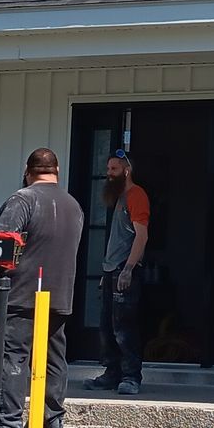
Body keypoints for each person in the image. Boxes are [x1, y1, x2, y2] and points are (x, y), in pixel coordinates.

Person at [0, 147, 85, 428]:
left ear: (27, 171)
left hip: (22, 292)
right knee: (53, 357)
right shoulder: (73, 205)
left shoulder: (23, 200)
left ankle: (8, 424)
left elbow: (3, 245)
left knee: (12, 356)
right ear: (57, 171)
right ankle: (52, 419)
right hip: (59, 292)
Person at [82, 147, 150, 395]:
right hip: (112, 269)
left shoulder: (136, 195)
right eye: (108, 168)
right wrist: (107, 271)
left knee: (124, 326)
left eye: (114, 169)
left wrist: (128, 269)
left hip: (125, 270)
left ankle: (131, 376)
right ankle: (112, 373)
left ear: (127, 170)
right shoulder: (119, 198)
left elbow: (141, 237)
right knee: (107, 326)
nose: (108, 173)